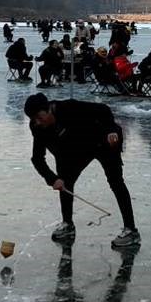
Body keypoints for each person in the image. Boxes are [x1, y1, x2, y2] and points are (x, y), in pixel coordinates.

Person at [24, 94, 139, 248]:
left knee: (115, 181)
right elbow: (37, 158)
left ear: (49, 109)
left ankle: (131, 230)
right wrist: (52, 179)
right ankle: (68, 224)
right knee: (65, 181)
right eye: (33, 119)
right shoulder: (37, 127)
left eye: (39, 117)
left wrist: (111, 130)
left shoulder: (69, 108)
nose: (37, 122)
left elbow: (103, 109)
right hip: (75, 150)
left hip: (102, 141)